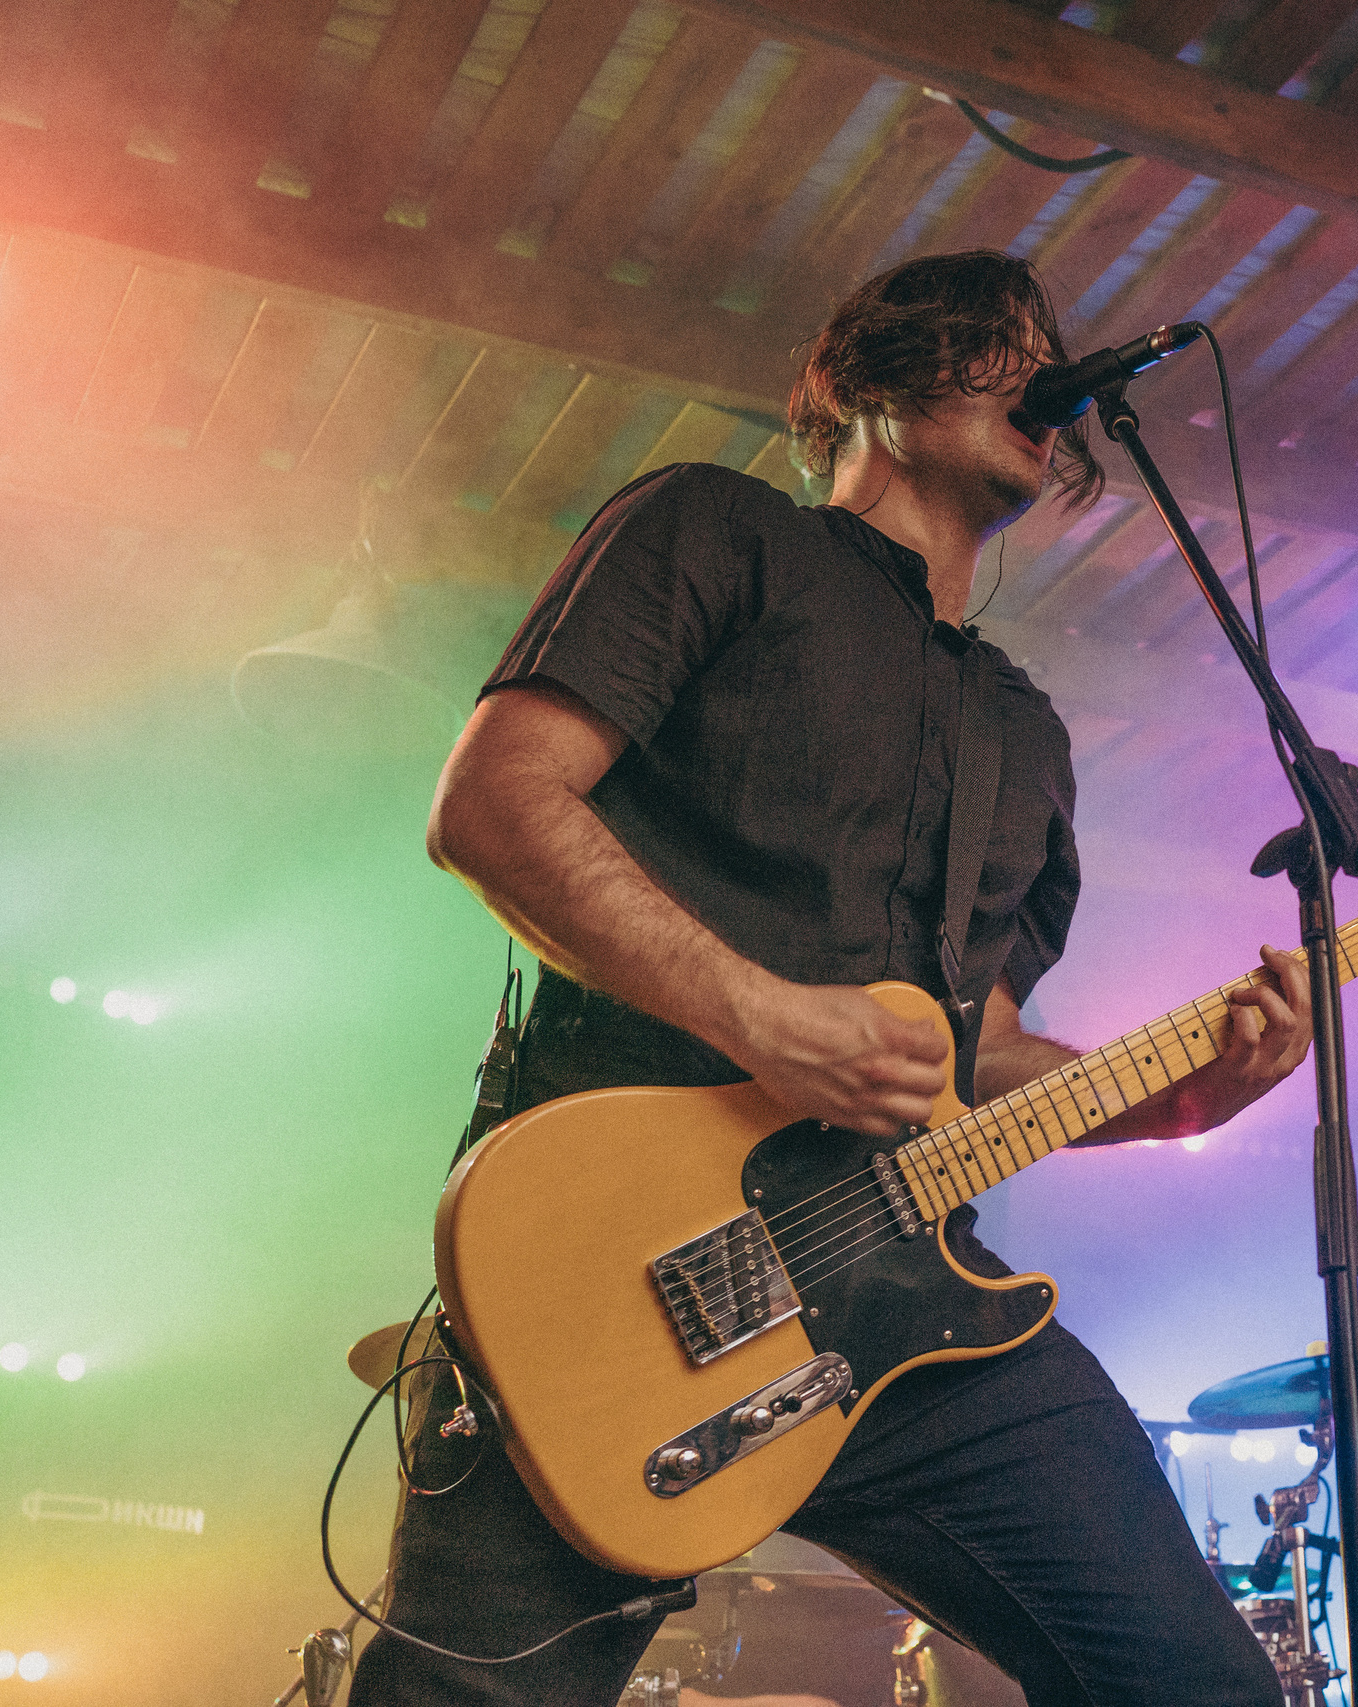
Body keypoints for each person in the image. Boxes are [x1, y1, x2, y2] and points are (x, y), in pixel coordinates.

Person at [349, 250, 1306, 1707]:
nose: (1043, 381)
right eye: (999, 348)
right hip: (617, 1274)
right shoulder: (713, 530)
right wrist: (760, 1018)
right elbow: (492, 804)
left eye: (1051, 358)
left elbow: (971, 1052)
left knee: (1199, 1683)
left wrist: (1193, 1096)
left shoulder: (1024, 733)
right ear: (875, 379)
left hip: (908, 1310)